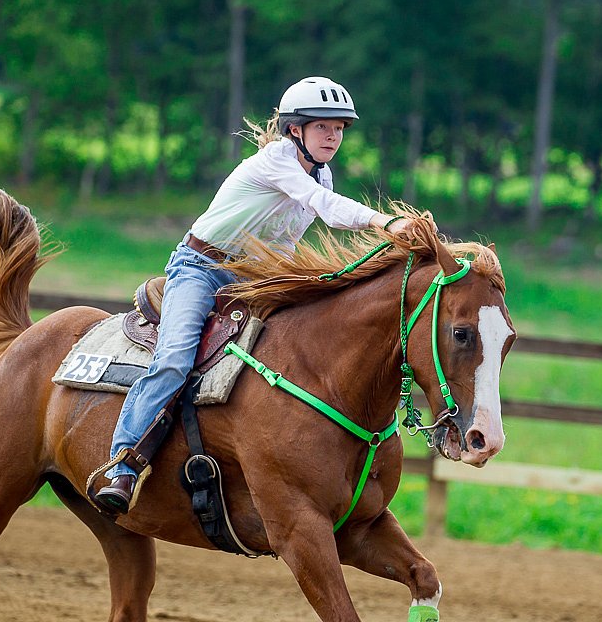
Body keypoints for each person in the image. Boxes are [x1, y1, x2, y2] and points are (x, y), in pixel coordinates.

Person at [92, 76, 408, 514]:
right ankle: (122, 465)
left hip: (252, 277)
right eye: (322, 126)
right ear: (295, 130)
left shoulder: (323, 173)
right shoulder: (277, 161)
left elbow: (286, 241)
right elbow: (324, 207)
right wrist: (385, 223)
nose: (333, 135)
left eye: (339, 127)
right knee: (175, 358)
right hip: (200, 269)